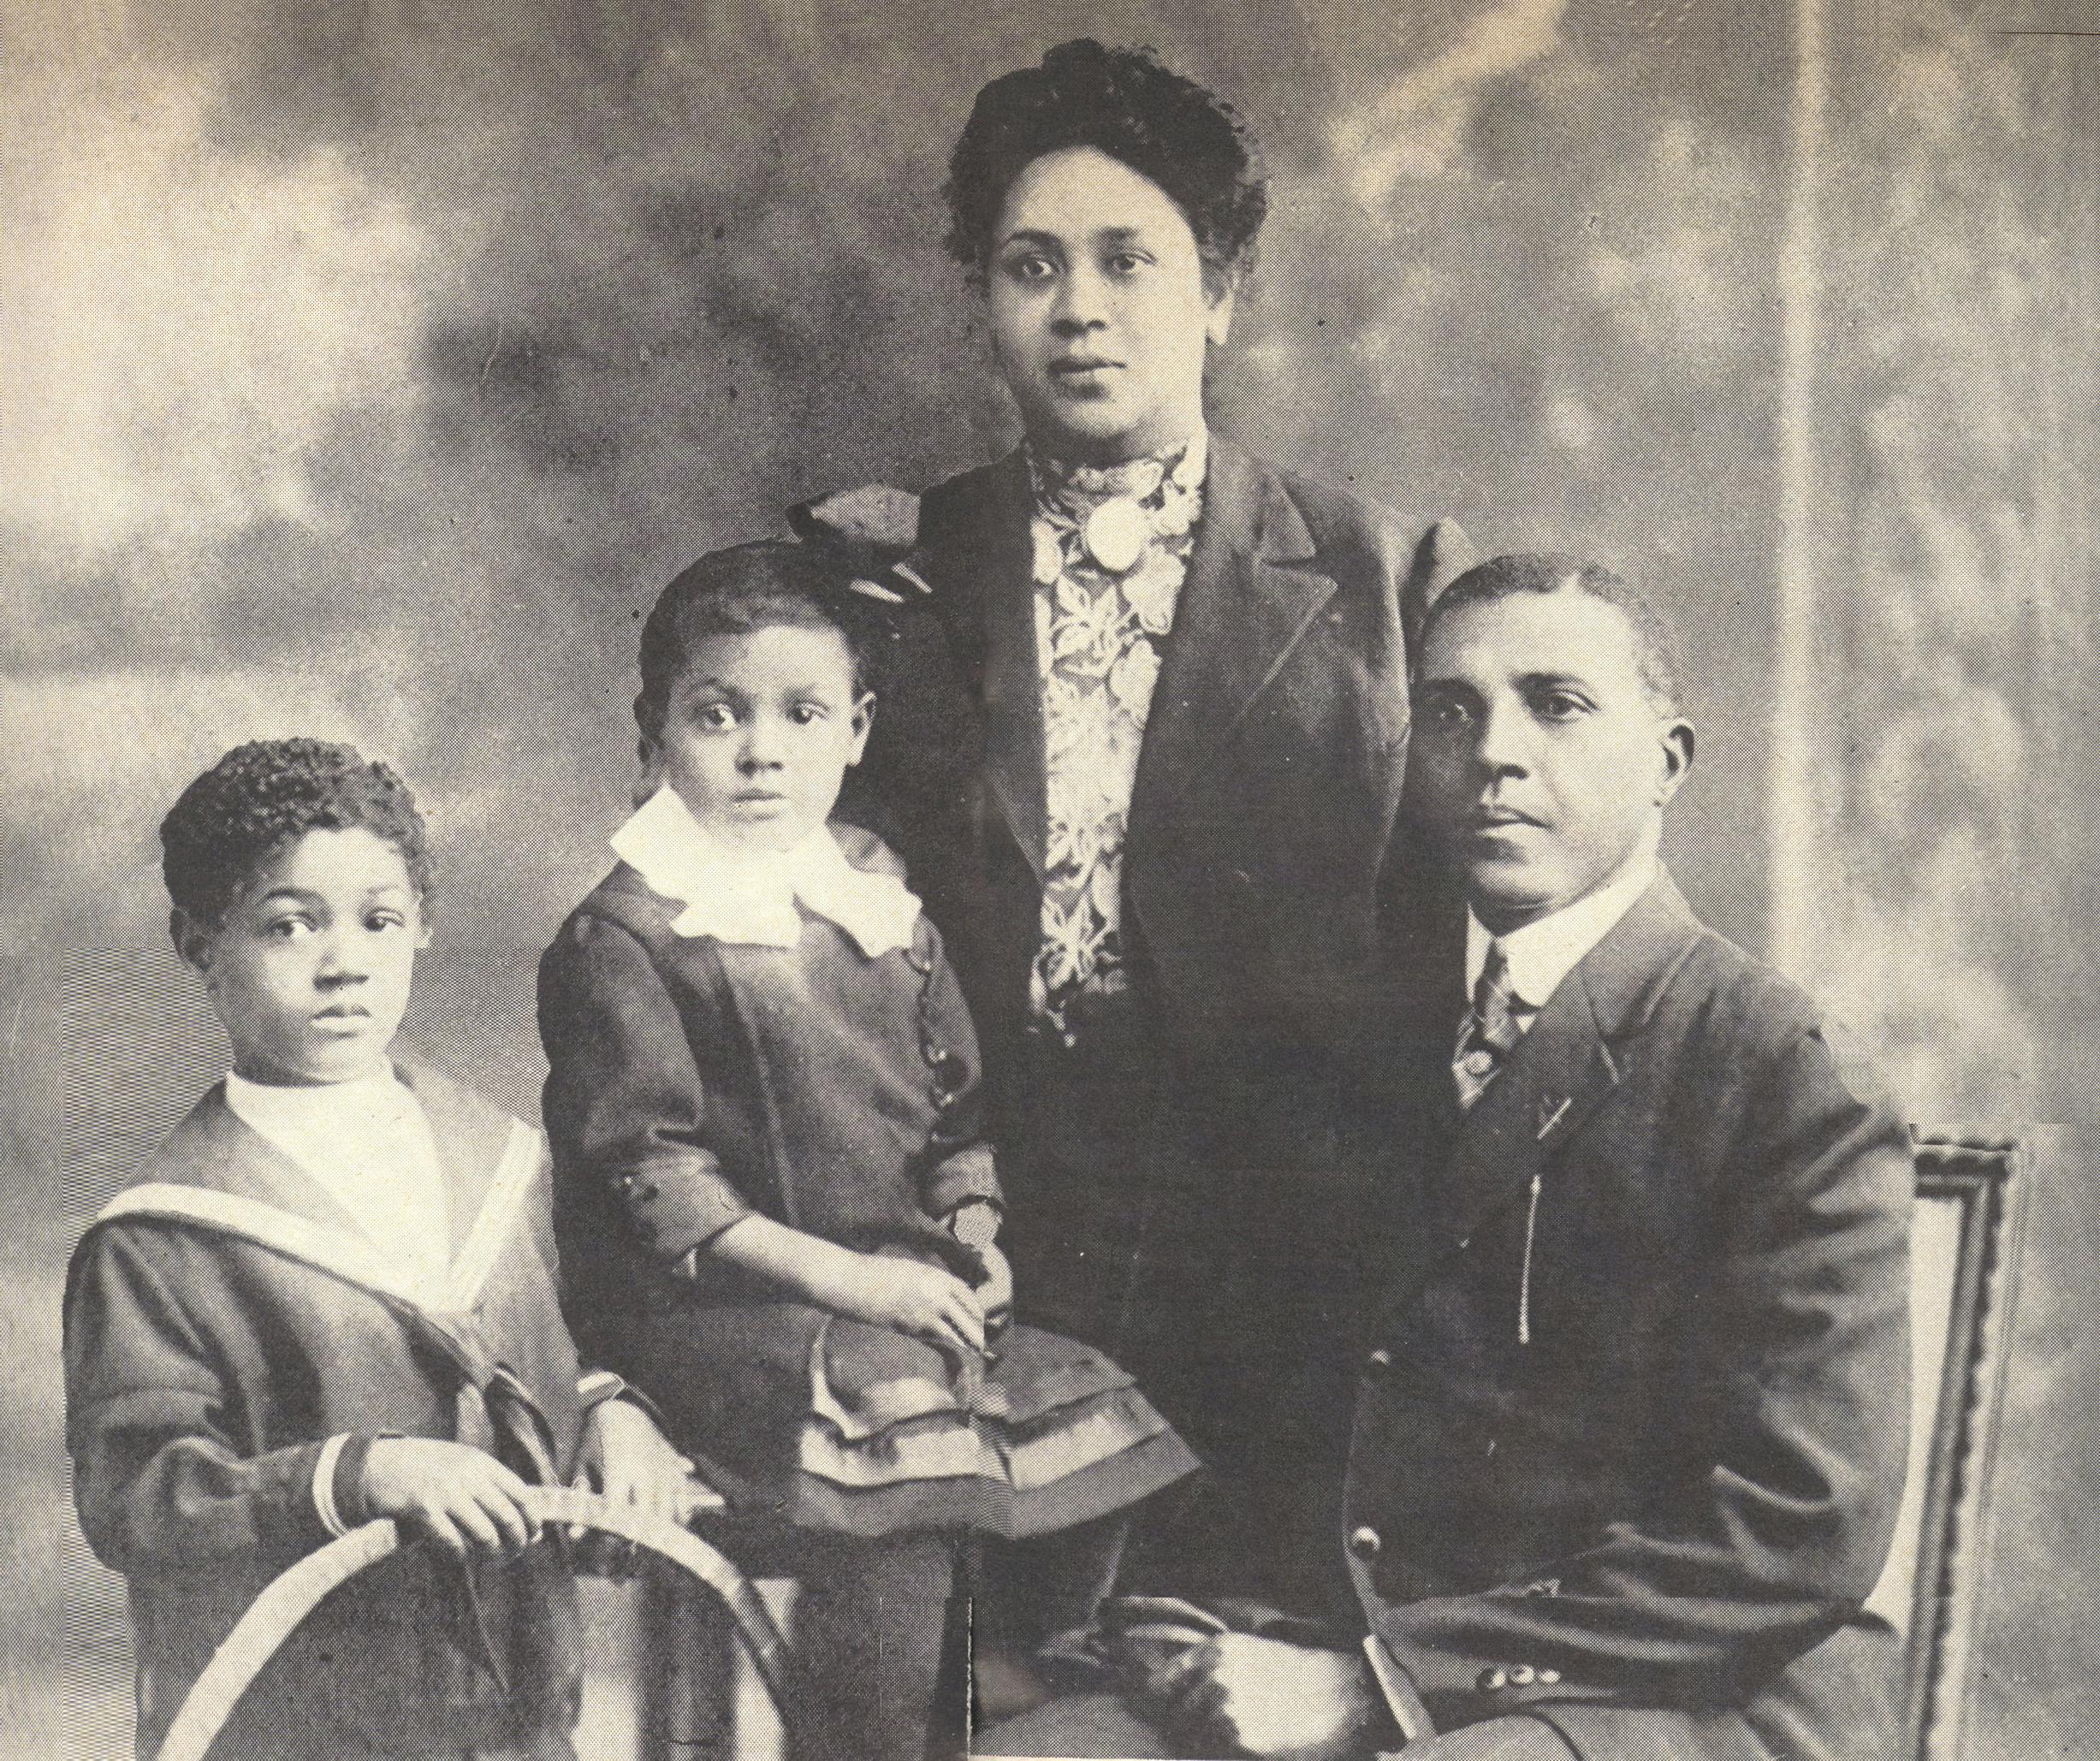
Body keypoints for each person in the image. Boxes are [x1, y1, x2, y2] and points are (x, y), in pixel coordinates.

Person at [982, 554, 1913, 1759]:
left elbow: (1792, 1528)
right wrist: (1205, 1619)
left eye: (1557, 703)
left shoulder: (1780, 1070)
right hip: (1360, 1642)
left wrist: (1375, 1682)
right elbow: (1303, 1404)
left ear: (1667, 762)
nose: (1495, 752)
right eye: (1450, 712)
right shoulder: (1372, 1034)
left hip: (1681, 1693)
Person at [797, 37, 1470, 1616]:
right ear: (983, 300)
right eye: (1030, 266)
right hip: (975, 1272)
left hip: (1286, 1290)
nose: (1078, 306)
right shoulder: (880, 584)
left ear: (1218, 292)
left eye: (1127, 260)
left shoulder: (1388, 586)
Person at [535, 542, 1198, 1761]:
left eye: (801, 714)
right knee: (903, 1447)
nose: (759, 750)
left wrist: (973, 1238)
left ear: (856, 729)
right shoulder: (628, 933)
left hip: (892, 1298)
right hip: (716, 1313)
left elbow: (953, 1119)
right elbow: (651, 1178)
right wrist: (856, 1281)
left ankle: (1009, 1711)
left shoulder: (879, 906)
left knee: (1096, 1415)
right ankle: (864, 1741)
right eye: (716, 714)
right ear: (654, 733)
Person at [63, 738, 702, 1761]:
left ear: (424, 928)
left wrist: (614, 1415)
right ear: (199, 942)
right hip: (293, 1728)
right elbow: (143, 1501)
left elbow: (552, 1349)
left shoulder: (500, 1164)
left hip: (515, 1718)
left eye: (378, 920)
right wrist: (360, 1473)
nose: (343, 962)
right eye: (287, 925)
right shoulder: (163, 1238)